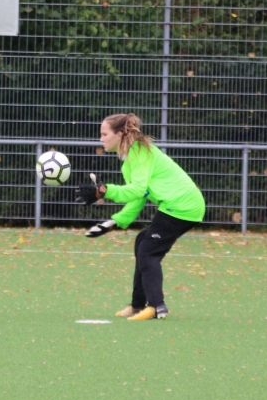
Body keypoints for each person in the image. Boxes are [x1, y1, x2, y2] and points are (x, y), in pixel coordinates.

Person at [76, 113, 205, 321]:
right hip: (180, 205)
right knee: (142, 241)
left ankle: (156, 306)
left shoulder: (139, 153)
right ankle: (138, 305)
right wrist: (116, 221)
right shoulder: (130, 158)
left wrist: (105, 191)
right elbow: (140, 196)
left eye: (104, 134)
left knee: (148, 250)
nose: (101, 139)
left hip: (182, 206)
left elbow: (136, 190)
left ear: (119, 134)